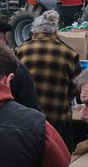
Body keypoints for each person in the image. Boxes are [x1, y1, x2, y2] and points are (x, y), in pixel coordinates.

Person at [16, 10, 82, 151]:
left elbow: (14, 83)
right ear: (55, 31)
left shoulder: (20, 50)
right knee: (57, 161)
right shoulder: (70, 53)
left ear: (34, 30)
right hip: (57, 119)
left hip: (26, 119)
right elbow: (76, 87)